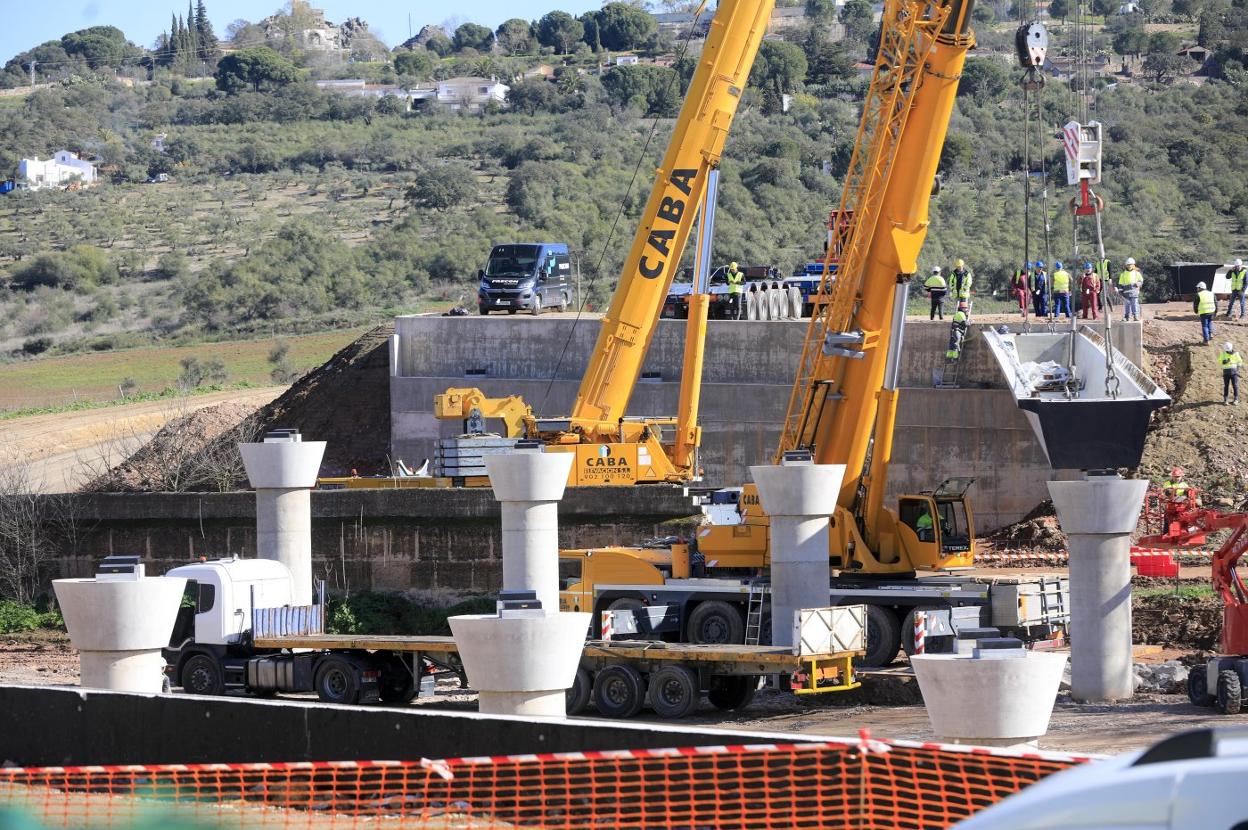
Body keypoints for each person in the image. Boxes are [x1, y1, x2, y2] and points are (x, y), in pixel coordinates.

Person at [1117, 257, 1143, 322]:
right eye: (1128, 265)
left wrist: (1138, 284)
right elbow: (1120, 284)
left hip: (1134, 291)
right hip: (1126, 292)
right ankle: (1126, 316)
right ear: (1126, 265)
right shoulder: (1123, 274)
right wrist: (1120, 291)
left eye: (1130, 264)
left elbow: (1141, 280)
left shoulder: (1136, 273)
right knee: (1127, 305)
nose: (1129, 266)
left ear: (1133, 265)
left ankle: (1135, 316)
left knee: (1134, 304)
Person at [1220, 341, 1242, 405]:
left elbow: (1240, 362)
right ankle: (1226, 399)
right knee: (1226, 386)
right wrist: (1224, 361)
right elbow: (1220, 361)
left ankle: (1236, 399)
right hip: (1226, 373)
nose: (1228, 351)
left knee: (1235, 386)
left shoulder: (1236, 354)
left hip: (1234, 373)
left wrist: (1237, 369)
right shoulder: (1223, 354)